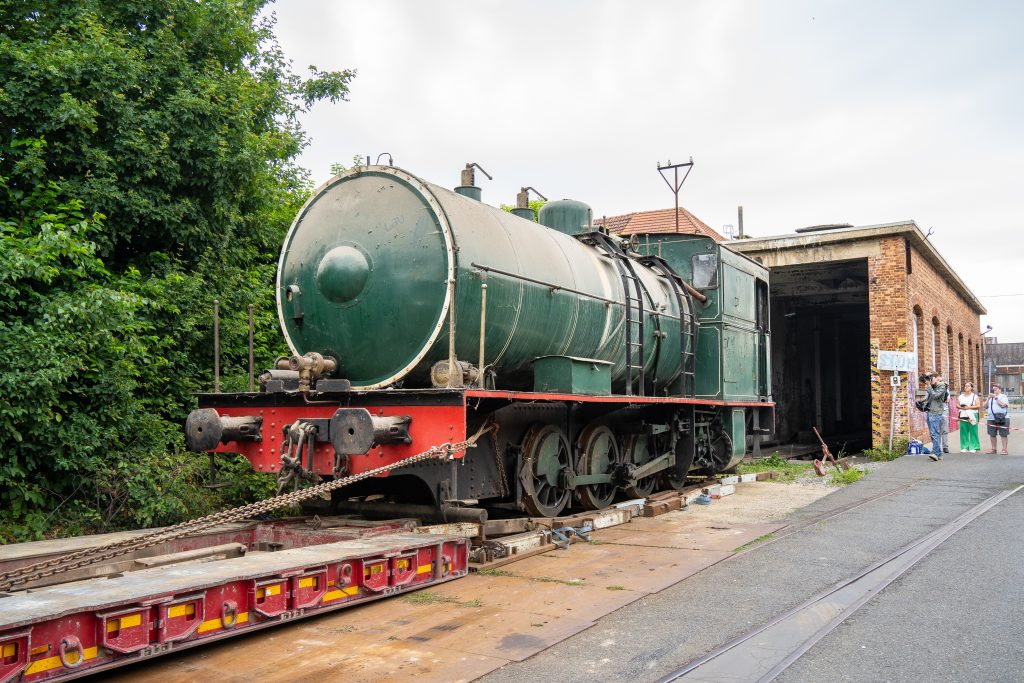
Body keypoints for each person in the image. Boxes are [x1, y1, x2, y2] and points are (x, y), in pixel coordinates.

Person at [925, 373, 949, 462]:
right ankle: (939, 454)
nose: (930, 380)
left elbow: (935, 395)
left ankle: (935, 453)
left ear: (936, 378)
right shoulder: (933, 386)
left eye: (931, 378)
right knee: (933, 433)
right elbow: (930, 397)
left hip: (936, 412)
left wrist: (929, 386)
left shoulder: (942, 386)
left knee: (935, 433)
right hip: (930, 411)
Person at [985, 383, 1010, 454]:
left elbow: (1003, 405)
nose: (994, 391)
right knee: (992, 434)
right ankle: (993, 449)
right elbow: (984, 406)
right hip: (991, 418)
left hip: (1002, 417)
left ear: (1000, 389)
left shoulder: (1003, 396)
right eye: (993, 389)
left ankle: (1004, 449)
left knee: (1003, 434)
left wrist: (996, 397)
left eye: (996, 389)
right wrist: (988, 399)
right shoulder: (990, 398)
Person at [957, 382, 981, 452]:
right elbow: (957, 405)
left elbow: (978, 405)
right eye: (965, 386)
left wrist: (969, 407)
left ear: (971, 388)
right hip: (963, 415)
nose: (966, 387)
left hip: (972, 415)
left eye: (968, 386)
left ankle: (974, 447)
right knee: (963, 431)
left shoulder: (974, 396)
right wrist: (962, 407)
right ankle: (964, 446)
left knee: (973, 431)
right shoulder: (961, 396)